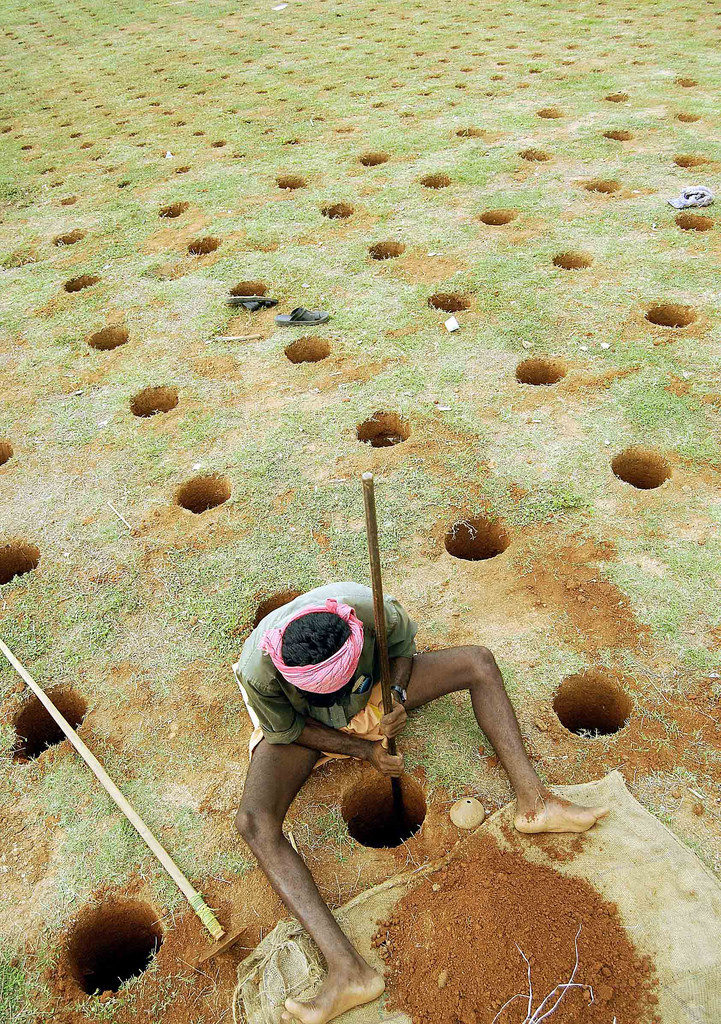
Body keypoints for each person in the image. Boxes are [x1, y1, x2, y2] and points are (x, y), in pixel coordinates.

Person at [233, 583, 608, 1024]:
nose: (343, 707)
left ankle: (535, 803)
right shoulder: (258, 672)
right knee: (253, 822)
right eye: (326, 695)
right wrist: (363, 750)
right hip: (307, 729)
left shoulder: (372, 609)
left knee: (478, 662)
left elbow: (404, 652)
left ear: (357, 641)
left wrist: (397, 695)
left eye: (343, 688)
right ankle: (348, 971)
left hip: (375, 690)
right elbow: (289, 729)